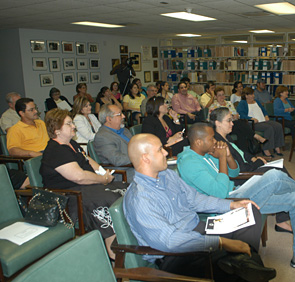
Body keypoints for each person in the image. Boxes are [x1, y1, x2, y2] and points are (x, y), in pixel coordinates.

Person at [177, 123, 295, 274]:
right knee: (274, 175)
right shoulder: (189, 163)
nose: (216, 142)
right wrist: (222, 158)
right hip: (223, 207)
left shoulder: (206, 153)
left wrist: (228, 156)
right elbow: (220, 193)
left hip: (236, 194)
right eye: (212, 138)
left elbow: (233, 172)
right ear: (198, 142)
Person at [124, 133, 277, 282]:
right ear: (146, 158)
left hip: (199, 227)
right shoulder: (140, 198)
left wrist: (232, 204)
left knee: (249, 212)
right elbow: (170, 241)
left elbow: (194, 199)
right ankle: (243, 263)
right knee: (227, 259)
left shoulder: (167, 175)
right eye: (160, 150)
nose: (165, 152)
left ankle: (242, 262)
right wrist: (220, 242)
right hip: (176, 254)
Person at [40, 108, 125, 260]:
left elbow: (88, 160)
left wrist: (102, 172)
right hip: (69, 197)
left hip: (86, 188)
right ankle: (113, 251)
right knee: (108, 199)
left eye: (72, 122)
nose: (74, 126)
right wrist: (102, 180)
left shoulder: (71, 143)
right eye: (69, 124)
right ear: (56, 130)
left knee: (124, 188)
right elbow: (79, 177)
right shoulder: (55, 151)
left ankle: (127, 237)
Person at [209, 87, 267, 153]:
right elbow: (211, 120)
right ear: (216, 96)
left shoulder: (229, 103)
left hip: (233, 125)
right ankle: (255, 136)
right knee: (240, 124)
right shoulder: (213, 106)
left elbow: (237, 114)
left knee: (241, 131)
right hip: (222, 127)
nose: (222, 97)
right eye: (219, 95)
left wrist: (235, 116)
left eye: (223, 94)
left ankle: (243, 154)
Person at [237, 87, 284, 158]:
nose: (253, 96)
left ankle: (277, 146)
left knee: (278, 125)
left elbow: (264, 110)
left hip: (263, 120)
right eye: (251, 94)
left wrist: (266, 115)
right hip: (253, 123)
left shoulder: (256, 101)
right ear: (246, 96)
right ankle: (266, 149)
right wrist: (251, 118)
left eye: (253, 94)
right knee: (269, 128)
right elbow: (241, 115)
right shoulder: (242, 103)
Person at [93, 104, 134, 181]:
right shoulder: (103, 137)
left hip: (135, 166)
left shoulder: (125, 130)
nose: (123, 116)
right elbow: (117, 159)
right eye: (119, 114)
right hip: (122, 172)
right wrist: (139, 157)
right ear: (109, 119)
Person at [273, 86, 295, 153]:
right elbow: (276, 111)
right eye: (285, 91)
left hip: (288, 119)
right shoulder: (277, 100)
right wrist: (287, 110)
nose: (287, 92)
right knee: (294, 125)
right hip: (280, 120)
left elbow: (294, 108)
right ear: (281, 93)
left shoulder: (287, 100)